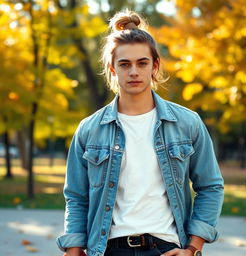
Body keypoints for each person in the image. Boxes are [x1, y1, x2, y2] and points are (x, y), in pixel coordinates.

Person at [56, 10, 224, 256]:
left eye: (142, 63)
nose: (134, 71)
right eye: (124, 64)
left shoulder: (187, 123)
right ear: (112, 69)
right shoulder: (89, 130)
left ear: (154, 66)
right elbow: (77, 197)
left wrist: (192, 249)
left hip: (167, 248)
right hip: (108, 249)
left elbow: (210, 186)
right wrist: (73, 249)